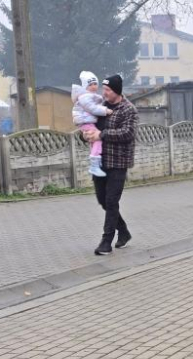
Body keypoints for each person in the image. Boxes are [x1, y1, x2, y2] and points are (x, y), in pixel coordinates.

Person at [83, 74, 138, 256]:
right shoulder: (101, 107)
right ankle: (123, 231)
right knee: (102, 200)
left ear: (116, 91)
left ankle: (106, 241)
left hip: (118, 162)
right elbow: (91, 125)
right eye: (104, 89)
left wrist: (102, 135)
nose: (104, 93)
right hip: (99, 160)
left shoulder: (128, 110)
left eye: (107, 90)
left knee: (112, 200)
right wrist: (87, 134)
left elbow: (127, 133)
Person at [71, 71, 111, 178]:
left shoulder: (89, 96)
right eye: (90, 84)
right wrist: (106, 110)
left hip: (86, 121)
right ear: (85, 86)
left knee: (94, 140)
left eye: (95, 84)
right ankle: (94, 164)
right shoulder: (85, 97)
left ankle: (96, 163)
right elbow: (92, 108)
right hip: (85, 121)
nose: (93, 86)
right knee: (97, 138)